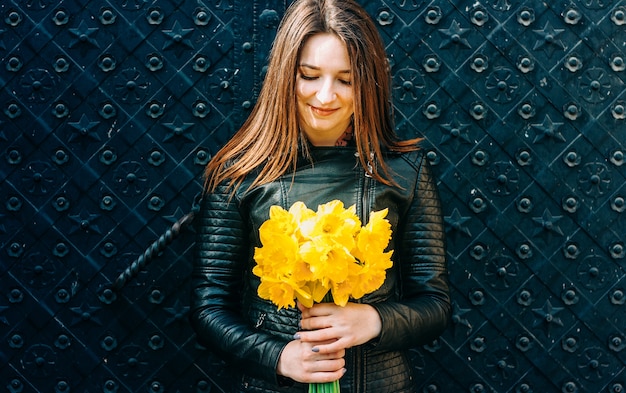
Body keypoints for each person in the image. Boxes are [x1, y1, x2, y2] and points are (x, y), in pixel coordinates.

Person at [190, 0, 451, 391]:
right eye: (309, 76)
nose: (325, 96)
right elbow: (209, 309)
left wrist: (374, 321)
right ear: (285, 75)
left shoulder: (403, 171)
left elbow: (435, 304)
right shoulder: (239, 173)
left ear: (368, 82)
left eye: (345, 80)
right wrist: (278, 358)